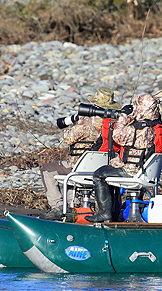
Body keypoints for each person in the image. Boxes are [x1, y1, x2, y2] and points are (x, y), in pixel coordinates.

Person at [39, 88, 120, 220]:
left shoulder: (86, 121)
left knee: (47, 170)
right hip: (101, 169)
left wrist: (76, 122)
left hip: (79, 167)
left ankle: (57, 207)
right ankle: (74, 206)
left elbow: (68, 138)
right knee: (72, 173)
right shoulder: (113, 123)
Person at [85, 94, 162, 223]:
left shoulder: (138, 128)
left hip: (133, 172)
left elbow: (117, 136)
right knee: (110, 168)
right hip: (148, 172)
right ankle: (115, 213)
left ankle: (105, 213)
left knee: (99, 174)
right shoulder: (159, 126)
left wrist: (124, 116)